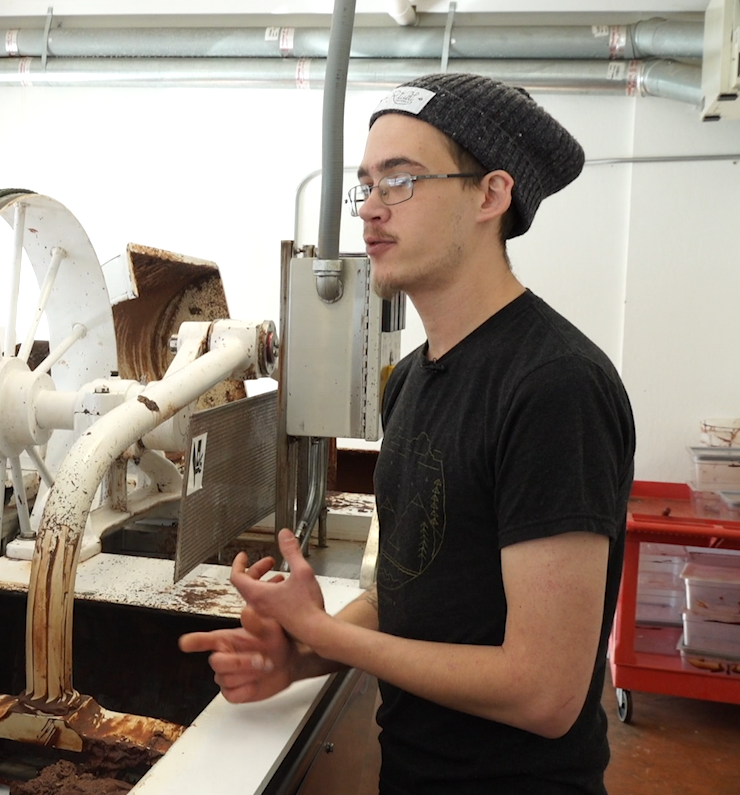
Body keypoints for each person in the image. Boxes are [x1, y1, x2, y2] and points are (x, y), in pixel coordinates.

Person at [180, 72, 636, 794]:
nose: (368, 208)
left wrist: (326, 632)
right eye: (364, 184)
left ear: (490, 195)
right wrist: (298, 657)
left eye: (400, 180)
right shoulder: (413, 382)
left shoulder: (554, 387)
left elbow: (545, 692)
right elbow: (408, 593)